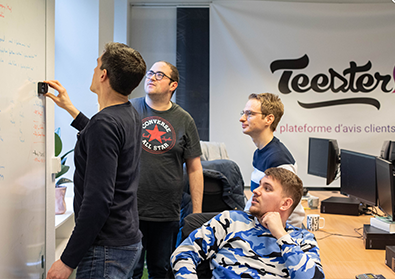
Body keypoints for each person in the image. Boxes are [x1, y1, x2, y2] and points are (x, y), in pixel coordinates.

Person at [45, 42, 146, 279]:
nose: (93, 70)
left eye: (96, 65)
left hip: (106, 250)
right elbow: (105, 140)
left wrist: (67, 261)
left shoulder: (105, 123)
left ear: (103, 75)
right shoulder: (129, 113)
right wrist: (72, 110)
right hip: (125, 241)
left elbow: (98, 201)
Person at [171, 168, 324, 279]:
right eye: (259, 185)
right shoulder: (230, 221)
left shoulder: (303, 239)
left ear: (285, 204)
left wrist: (281, 235)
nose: (256, 191)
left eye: (267, 188)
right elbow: (183, 253)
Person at [131, 61, 203, 279]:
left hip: (165, 212)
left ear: (173, 85)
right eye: (150, 73)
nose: (151, 77)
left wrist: (196, 213)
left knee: (160, 270)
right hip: (130, 210)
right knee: (130, 272)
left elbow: (194, 168)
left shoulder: (184, 119)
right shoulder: (130, 110)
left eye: (159, 75)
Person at [239, 93, 305, 227]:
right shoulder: (260, 152)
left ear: (268, 119)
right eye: (243, 113)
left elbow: (293, 213)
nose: (242, 118)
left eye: (250, 114)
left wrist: (286, 241)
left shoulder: (278, 159)